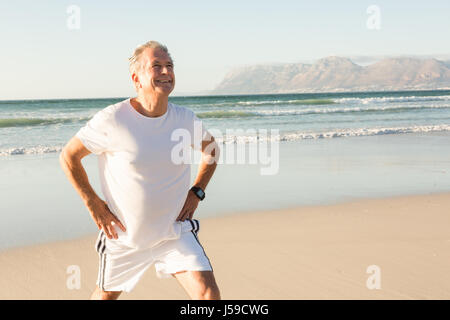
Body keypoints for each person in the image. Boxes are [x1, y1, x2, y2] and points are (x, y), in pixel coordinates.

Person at [59, 41, 221, 300]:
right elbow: (68, 156)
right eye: (156, 66)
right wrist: (92, 202)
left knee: (208, 295)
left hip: (173, 232)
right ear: (136, 78)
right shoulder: (113, 119)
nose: (166, 72)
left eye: (169, 66)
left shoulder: (185, 119)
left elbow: (211, 150)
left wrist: (197, 191)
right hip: (124, 238)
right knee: (105, 297)